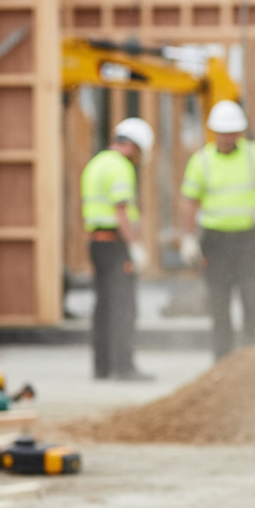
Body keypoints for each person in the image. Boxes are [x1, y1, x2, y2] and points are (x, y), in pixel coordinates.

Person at [179, 100, 255, 360]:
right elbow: (189, 201)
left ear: (240, 131)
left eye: (232, 131)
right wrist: (188, 237)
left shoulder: (254, 154)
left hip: (248, 239)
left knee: (251, 298)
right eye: (222, 132)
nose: (227, 137)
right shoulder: (201, 161)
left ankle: (252, 359)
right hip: (215, 241)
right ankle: (222, 360)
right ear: (214, 132)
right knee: (219, 303)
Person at [80, 117, 154, 381]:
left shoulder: (96, 163)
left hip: (97, 243)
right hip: (115, 245)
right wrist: (134, 246)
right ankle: (123, 368)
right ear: (135, 146)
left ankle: (102, 368)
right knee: (123, 307)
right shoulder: (120, 167)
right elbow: (121, 210)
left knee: (103, 307)